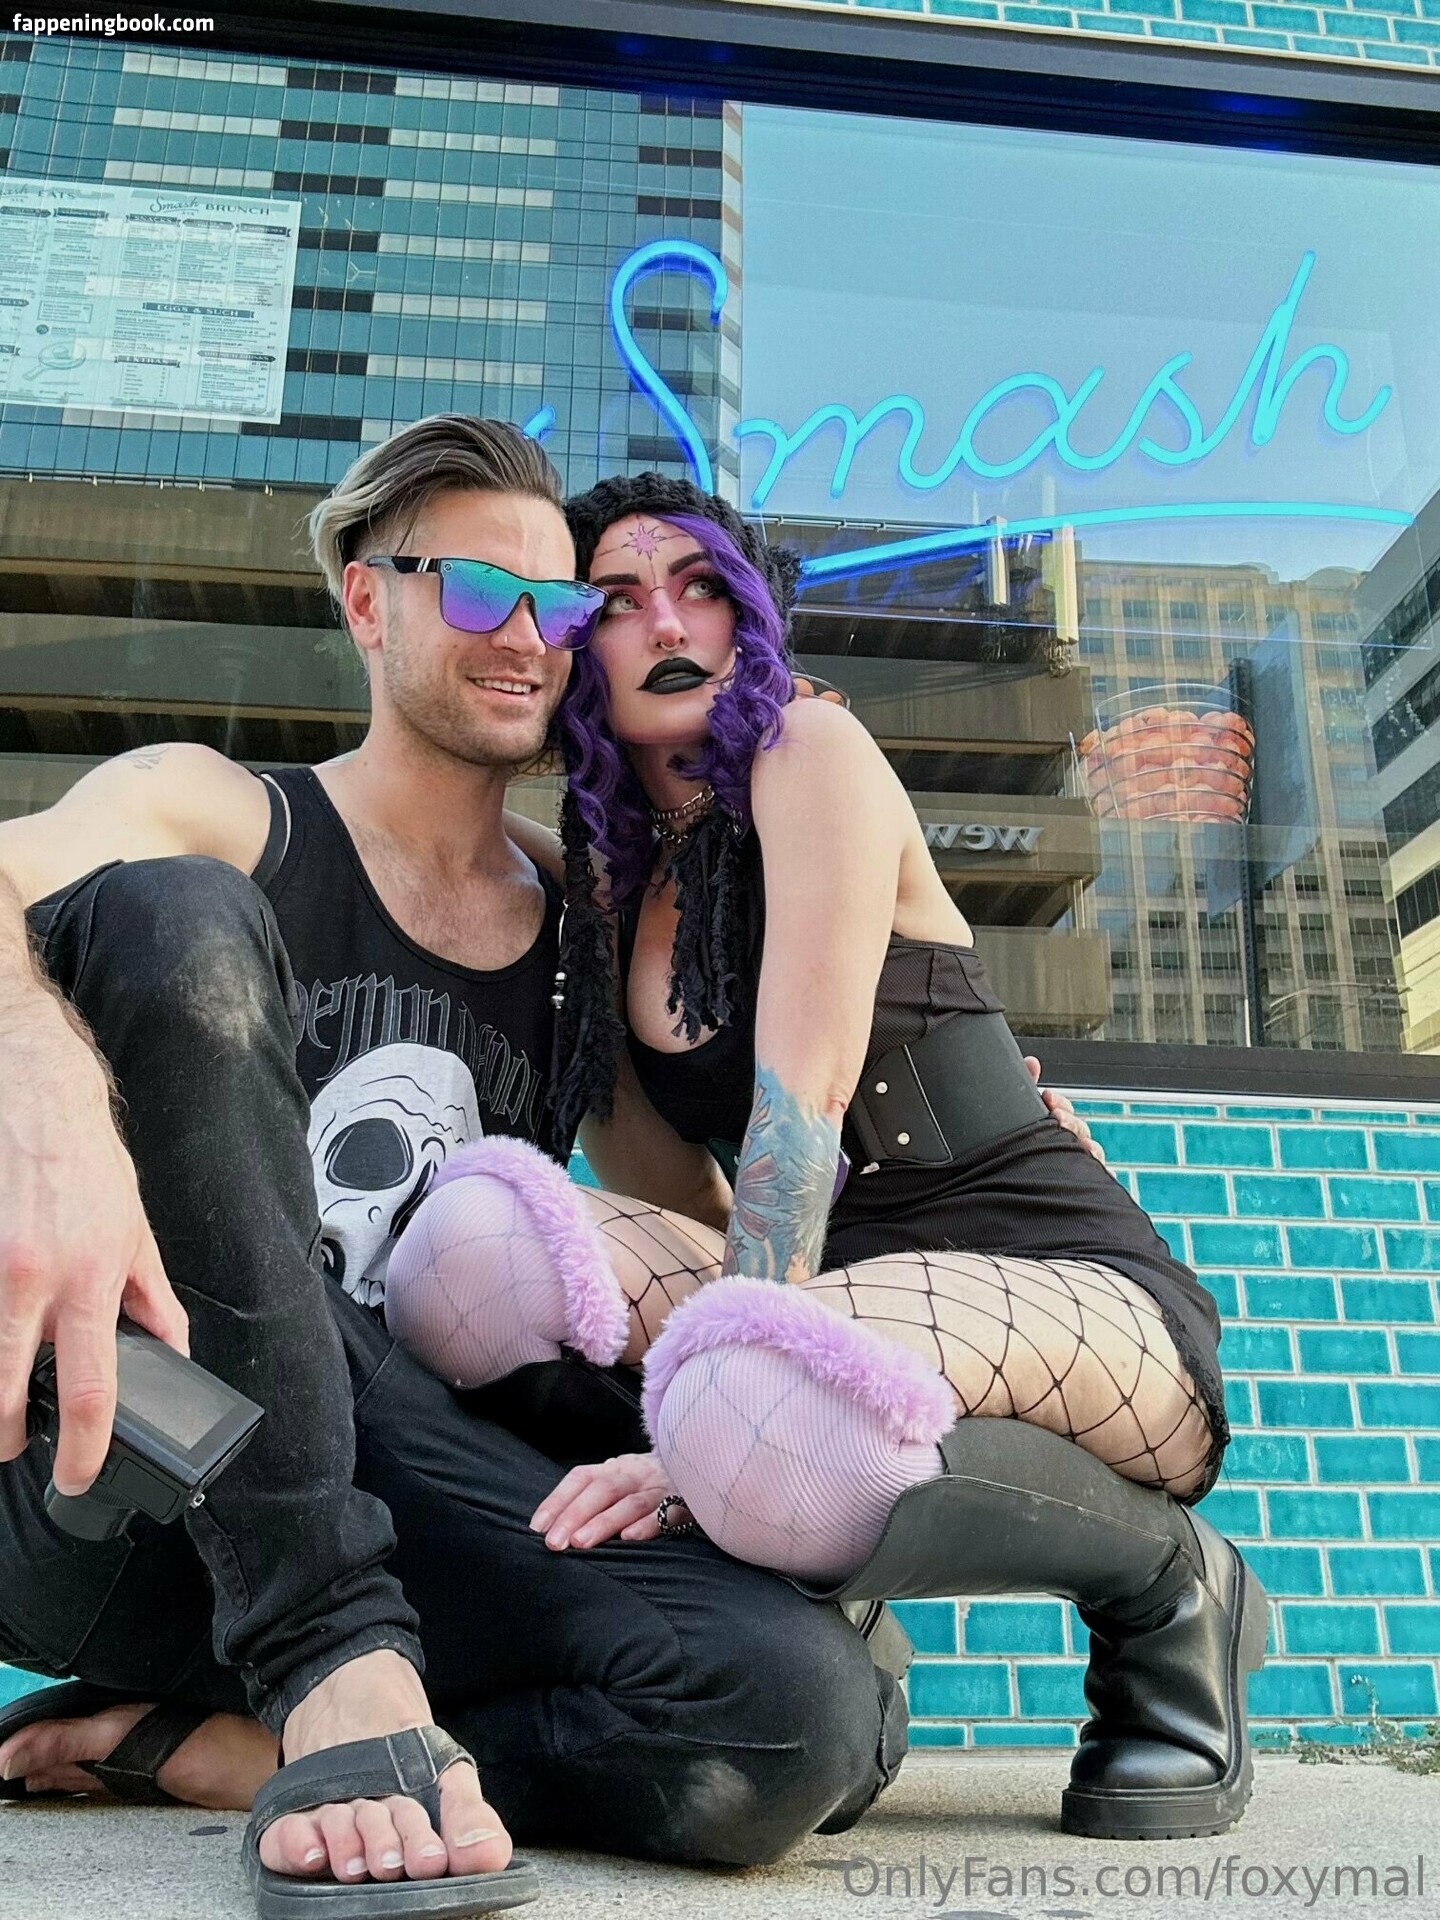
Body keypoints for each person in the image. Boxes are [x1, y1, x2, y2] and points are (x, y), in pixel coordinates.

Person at [0, 420, 939, 1916]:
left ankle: (231, 1740)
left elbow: (681, 1219)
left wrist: (936, 1223)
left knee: (807, 1716)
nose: (525, 636)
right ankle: (327, 1664)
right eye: (478, 588)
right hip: (131, 1468)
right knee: (168, 915)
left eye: (558, 604)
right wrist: (41, 1082)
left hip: (402, 1493)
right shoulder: (225, 812)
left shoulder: (579, 929)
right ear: (367, 601)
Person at [383, 474, 1268, 1845]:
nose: (666, 621)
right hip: (842, 1305)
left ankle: (1174, 1585)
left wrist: (707, 1418)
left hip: (1075, 1291)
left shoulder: (812, 748)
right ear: (570, 647)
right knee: (479, 1251)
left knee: (747, 1382)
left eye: (702, 586)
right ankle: (826, 1658)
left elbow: (801, 1113)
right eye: (616, 600)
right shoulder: (608, 885)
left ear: (747, 615)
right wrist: (705, 1403)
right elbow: (669, 1189)